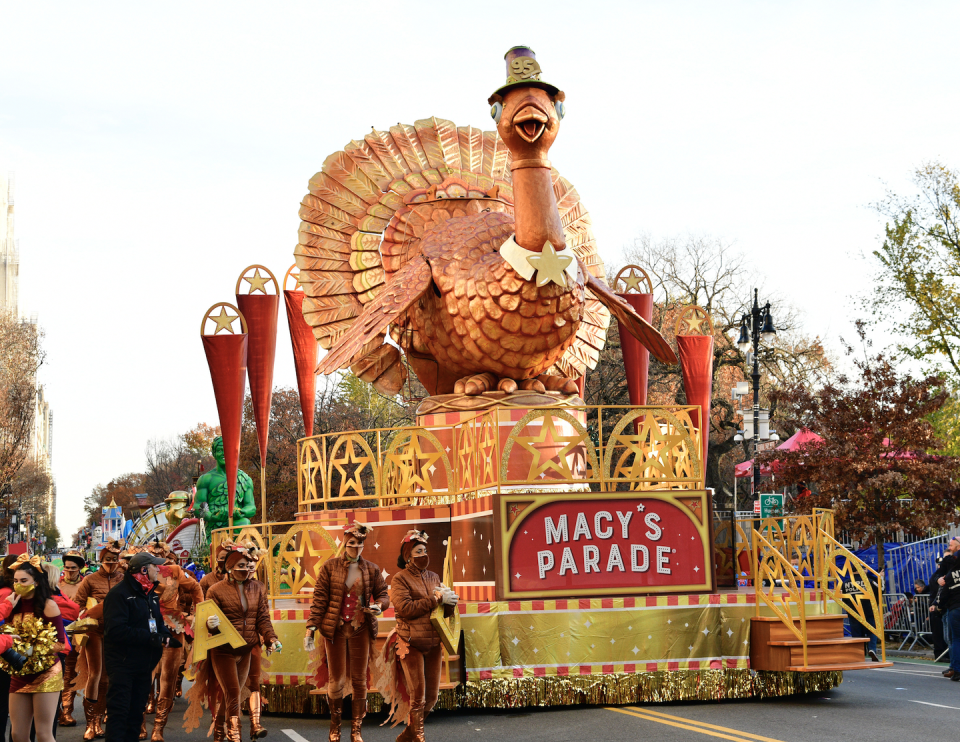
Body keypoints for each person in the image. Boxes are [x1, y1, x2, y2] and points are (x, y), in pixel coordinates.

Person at [304, 523, 389, 742]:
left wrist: (380, 605)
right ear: (344, 543)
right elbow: (319, 600)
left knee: (360, 679)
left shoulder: (371, 568)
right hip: (336, 629)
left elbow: (383, 594)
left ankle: (356, 729)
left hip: (361, 628)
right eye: (351, 543)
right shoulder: (329, 567)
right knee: (337, 680)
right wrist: (311, 628)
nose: (355, 547)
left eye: (360, 544)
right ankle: (335, 727)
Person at [194, 543, 280, 742]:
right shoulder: (215, 589)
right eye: (241, 565)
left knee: (231, 695)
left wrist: (271, 638)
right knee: (232, 692)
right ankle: (235, 735)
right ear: (230, 567)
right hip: (223, 650)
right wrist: (210, 624)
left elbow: (263, 619)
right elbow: (207, 621)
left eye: (248, 565)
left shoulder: (258, 588)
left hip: (247, 648)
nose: (245, 570)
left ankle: (218, 731)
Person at [379, 531, 458, 742]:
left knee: (432, 698)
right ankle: (419, 737)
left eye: (425, 551)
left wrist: (450, 604)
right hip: (410, 643)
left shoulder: (434, 577)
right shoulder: (399, 579)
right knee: (418, 698)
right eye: (418, 551)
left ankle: (408, 734)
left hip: (433, 642)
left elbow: (440, 612)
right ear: (408, 556)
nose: (423, 555)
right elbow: (405, 609)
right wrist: (435, 599)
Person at [102, 551, 174, 742]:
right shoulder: (119, 595)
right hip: (123, 665)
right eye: (154, 566)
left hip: (144, 665)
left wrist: (165, 635)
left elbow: (157, 622)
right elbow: (116, 631)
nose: (158, 569)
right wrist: (151, 637)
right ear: (143, 570)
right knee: (119, 714)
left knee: (136, 715)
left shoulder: (150, 593)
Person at [5, 554, 68, 742]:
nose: (18, 585)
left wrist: (33, 650)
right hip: (19, 672)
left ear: (37, 582)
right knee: (17, 734)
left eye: (24, 580)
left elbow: (61, 644)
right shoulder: (11, 605)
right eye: (15, 581)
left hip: (46, 672)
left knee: (42, 733)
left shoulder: (49, 605)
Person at [73, 541, 124, 741]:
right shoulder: (90, 580)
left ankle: (102, 719)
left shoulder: (124, 579)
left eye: (114, 559)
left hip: (117, 632)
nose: (111, 563)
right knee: (95, 675)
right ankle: (91, 723)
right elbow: (77, 604)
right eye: (107, 559)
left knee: (111, 678)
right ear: (100, 560)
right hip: (94, 631)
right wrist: (85, 615)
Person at [148, 554, 202, 742]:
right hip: (146, 630)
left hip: (173, 628)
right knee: (143, 678)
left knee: (168, 679)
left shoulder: (175, 571)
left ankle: (158, 728)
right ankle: (139, 723)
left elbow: (195, 587)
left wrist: (198, 613)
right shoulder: (134, 574)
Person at [57, 548, 86, 728]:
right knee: (56, 674)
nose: (69, 571)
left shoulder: (86, 584)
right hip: (57, 635)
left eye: (73, 568)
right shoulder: (56, 584)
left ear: (80, 568)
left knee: (70, 673)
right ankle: (58, 711)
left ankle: (66, 711)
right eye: (66, 567)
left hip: (78, 634)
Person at [840, 566, 881, 662]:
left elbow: (843, 597)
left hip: (853, 611)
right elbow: (879, 592)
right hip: (868, 610)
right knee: (872, 631)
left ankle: (859, 654)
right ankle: (872, 649)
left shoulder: (845, 583)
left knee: (857, 634)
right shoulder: (869, 581)